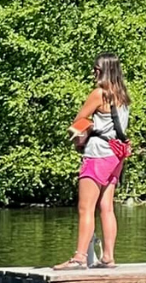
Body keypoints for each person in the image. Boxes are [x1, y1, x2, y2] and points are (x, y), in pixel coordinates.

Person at [56, 53, 131, 270]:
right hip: (116, 155)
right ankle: (108, 257)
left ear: (104, 71)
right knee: (106, 207)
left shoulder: (100, 94)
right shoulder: (123, 95)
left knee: (85, 208)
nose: (93, 73)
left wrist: (82, 135)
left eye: (95, 69)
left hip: (98, 153)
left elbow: (78, 121)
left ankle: (79, 257)